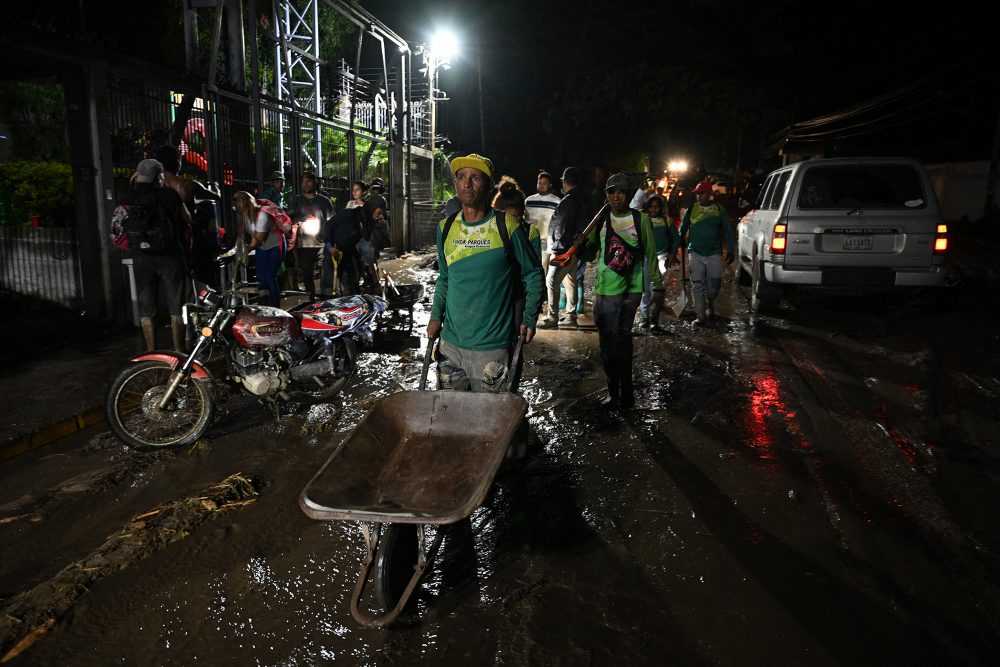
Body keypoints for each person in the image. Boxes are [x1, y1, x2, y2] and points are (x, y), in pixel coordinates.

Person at [427, 153, 543, 392]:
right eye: (461, 177)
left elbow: (533, 274)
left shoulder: (506, 226)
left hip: (492, 349)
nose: (467, 183)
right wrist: (435, 316)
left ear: (489, 186)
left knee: (489, 422)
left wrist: (529, 316)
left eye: (475, 178)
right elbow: (445, 278)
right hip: (450, 346)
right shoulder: (446, 228)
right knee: (450, 418)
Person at [578, 173, 662, 409]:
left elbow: (651, 254)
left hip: (630, 290)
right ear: (606, 194)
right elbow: (590, 251)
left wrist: (658, 285)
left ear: (629, 194)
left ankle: (627, 394)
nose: (617, 197)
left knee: (622, 340)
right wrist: (579, 247)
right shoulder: (601, 218)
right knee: (606, 343)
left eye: (622, 192)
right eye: (612, 192)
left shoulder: (640, 219)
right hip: (605, 290)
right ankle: (613, 391)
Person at [125, 159, 190, 351]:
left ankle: (151, 351)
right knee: (176, 303)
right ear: (159, 176)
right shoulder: (170, 195)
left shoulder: (130, 195)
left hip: (142, 257)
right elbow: (188, 219)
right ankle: (178, 351)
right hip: (170, 256)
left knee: (146, 306)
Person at [538, 166, 589, 329]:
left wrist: (558, 250)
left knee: (552, 280)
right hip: (575, 248)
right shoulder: (581, 198)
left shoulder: (568, 200)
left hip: (565, 250)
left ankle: (552, 317)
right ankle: (570, 315)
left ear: (564, 181)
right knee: (570, 281)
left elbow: (561, 226)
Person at [679, 179, 735, 324]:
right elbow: (683, 228)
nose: (698, 196)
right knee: (697, 285)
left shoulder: (719, 209)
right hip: (695, 253)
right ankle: (700, 316)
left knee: (714, 287)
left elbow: (728, 230)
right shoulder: (692, 209)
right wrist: (678, 242)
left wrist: (731, 249)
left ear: (709, 193)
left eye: (701, 193)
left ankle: (710, 301)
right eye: (697, 194)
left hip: (714, 253)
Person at [233, 191, 285, 306]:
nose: (236, 208)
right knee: (261, 277)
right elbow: (241, 235)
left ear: (245, 203)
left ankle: (277, 307)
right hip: (262, 247)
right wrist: (238, 248)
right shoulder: (243, 215)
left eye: (237, 205)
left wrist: (243, 252)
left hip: (275, 245)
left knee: (270, 276)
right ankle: (265, 305)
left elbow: (257, 240)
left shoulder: (262, 215)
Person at [287, 172, 335, 296]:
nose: (305, 184)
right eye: (303, 181)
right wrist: (298, 222)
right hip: (303, 245)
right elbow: (288, 220)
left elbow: (331, 221)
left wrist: (331, 241)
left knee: (326, 271)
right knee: (307, 274)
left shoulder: (324, 201)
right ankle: (311, 298)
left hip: (322, 243)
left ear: (315, 183)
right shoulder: (296, 201)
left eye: (308, 181)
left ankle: (326, 296)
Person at [638, 194, 679, 330]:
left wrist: (672, 253)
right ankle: (645, 318)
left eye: (657, 207)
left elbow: (676, 238)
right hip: (645, 258)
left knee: (658, 289)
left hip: (662, 257)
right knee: (645, 290)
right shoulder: (643, 220)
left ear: (661, 208)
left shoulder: (667, 221)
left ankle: (654, 319)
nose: (654, 209)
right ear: (648, 207)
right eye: (651, 207)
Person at [524, 170, 561, 279]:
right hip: (530, 240)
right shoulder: (529, 201)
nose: (541, 185)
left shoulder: (557, 202)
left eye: (544, 183)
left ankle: (542, 293)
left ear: (550, 185)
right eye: (539, 183)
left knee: (543, 268)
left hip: (547, 241)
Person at [492, 175, 540, 256]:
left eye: (514, 217)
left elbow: (536, 265)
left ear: (522, 213)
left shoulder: (531, 232)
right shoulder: (488, 232)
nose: (510, 223)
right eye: (505, 219)